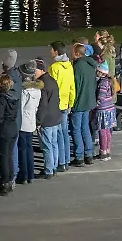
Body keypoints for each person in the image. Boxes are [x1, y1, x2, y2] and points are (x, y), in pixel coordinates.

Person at [69, 43, 98, 165]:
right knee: (85, 127)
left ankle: (79, 156)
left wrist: (72, 103)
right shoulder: (90, 65)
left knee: (76, 129)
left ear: (77, 53)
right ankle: (88, 154)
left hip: (78, 102)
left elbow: (75, 86)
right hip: (88, 101)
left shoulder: (77, 66)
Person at [48, 42, 74, 172]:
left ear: (56, 52)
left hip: (57, 104)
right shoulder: (69, 65)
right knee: (64, 132)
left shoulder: (54, 67)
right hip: (65, 103)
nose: (50, 52)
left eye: (51, 50)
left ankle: (61, 162)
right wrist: (71, 102)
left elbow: (53, 87)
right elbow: (72, 86)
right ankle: (66, 160)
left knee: (58, 134)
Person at [35, 57, 61, 179]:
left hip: (47, 119)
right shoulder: (52, 80)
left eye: (34, 70)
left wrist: (38, 121)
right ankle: (54, 166)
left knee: (46, 145)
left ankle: (49, 169)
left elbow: (42, 105)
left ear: (40, 70)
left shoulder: (42, 84)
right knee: (54, 143)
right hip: (56, 116)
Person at [0, 73, 19, 195]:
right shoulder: (14, 96)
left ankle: (5, 183)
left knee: (3, 157)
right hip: (13, 127)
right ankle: (9, 179)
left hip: (4, 129)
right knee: (9, 156)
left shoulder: (2, 98)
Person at [17, 61, 41, 183]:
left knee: (22, 149)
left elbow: (20, 108)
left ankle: (24, 174)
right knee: (29, 148)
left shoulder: (24, 91)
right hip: (31, 121)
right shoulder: (37, 90)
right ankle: (30, 174)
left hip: (23, 123)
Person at [0, 50, 23, 179]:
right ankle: (12, 174)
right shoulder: (17, 76)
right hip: (16, 118)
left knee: (10, 151)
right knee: (12, 149)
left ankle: (11, 176)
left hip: (10, 121)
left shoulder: (8, 79)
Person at [95, 62, 116, 159]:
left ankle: (103, 151)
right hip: (110, 108)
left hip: (103, 110)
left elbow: (101, 96)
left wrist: (96, 104)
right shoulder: (109, 81)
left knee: (102, 132)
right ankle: (107, 149)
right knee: (107, 131)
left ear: (101, 72)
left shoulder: (103, 82)